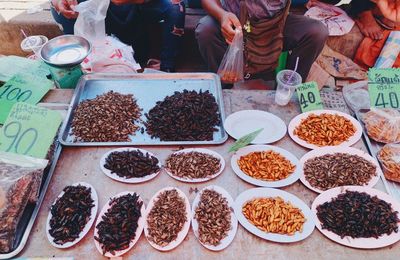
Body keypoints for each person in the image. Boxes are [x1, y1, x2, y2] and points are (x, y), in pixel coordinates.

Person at [195, 0, 329, 83]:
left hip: (274, 27)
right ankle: (223, 86)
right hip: (233, 22)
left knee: (316, 32)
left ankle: (289, 87)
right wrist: (222, 15)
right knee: (206, 30)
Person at [50, 0, 185, 72]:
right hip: (96, 8)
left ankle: (167, 66)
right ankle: (81, 66)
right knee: (63, 10)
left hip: (135, 9)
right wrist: (59, 2)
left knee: (175, 7)